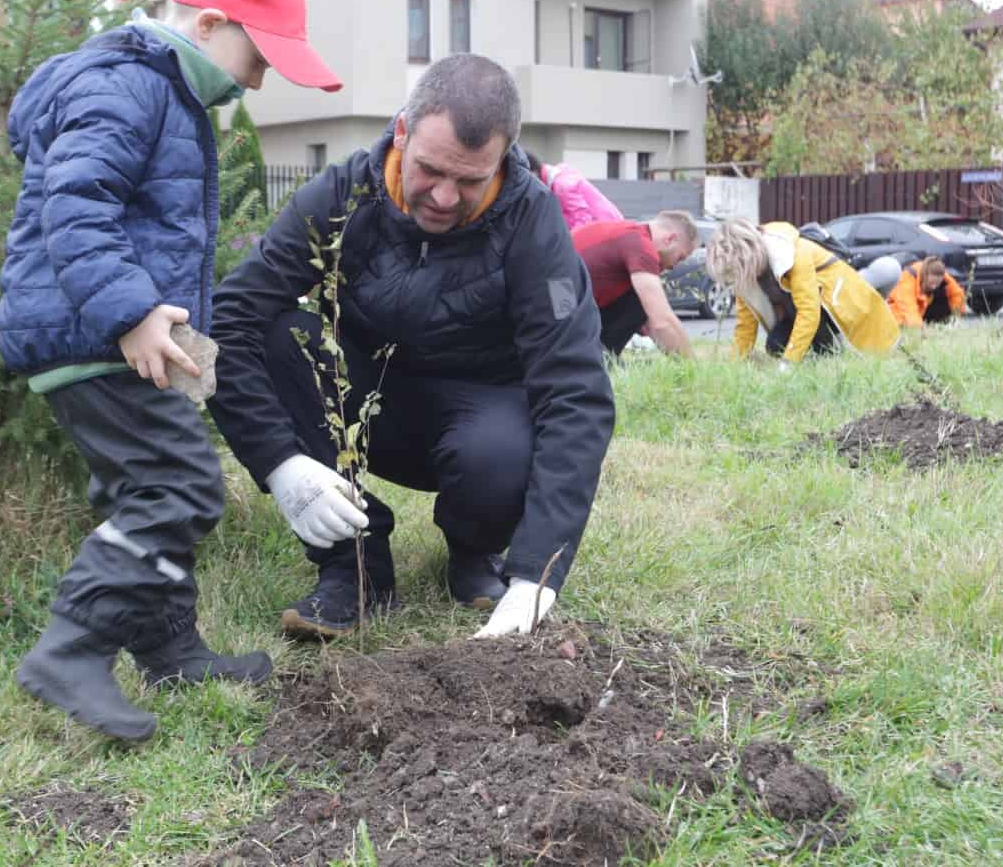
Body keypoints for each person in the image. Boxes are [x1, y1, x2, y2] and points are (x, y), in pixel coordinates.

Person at [0, 0, 343, 742]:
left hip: (115, 332)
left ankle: (168, 648)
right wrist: (132, 312)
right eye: (258, 58)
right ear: (212, 23)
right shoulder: (125, 85)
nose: (259, 79)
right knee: (179, 485)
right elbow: (75, 205)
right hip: (94, 334)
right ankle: (71, 649)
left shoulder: (165, 93)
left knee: (144, 488)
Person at [208, 54, 615, 641]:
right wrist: (280, 462)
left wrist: (537, 574)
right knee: (280, 334)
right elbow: (232, 317)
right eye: (429, 170)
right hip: (366, 403)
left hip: (481, 415)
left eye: (470, 181)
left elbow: (576, 391)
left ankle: (474, 554)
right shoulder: (345, 195)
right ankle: (355, 566)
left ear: (502, 159)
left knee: (499, 453)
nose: (444, 198)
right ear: (402, 130)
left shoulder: (533, 224)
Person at [704, 218, 899, 363]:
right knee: (775, 344)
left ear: (748, 257)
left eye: (737, 273)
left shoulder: (793, 253)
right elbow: (745, 327)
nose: (738, 280)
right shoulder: (745, 274)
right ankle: (813, 357)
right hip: (795, 315)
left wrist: (789, 363)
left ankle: (830, 355)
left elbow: (809, 311)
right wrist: (734, 366)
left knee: (826, 351)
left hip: (828, 309)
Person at [572, 213, 698, 356]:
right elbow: (661, 321)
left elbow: (652, 326)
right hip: (564, 322)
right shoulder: (641, 247)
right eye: (680, 257)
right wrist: (691, 365)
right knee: (643, 301)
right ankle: (600, 360)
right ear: (670, 239)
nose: (674, 266)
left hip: (558, 312)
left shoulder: (625, 232)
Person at [525, 153, 624, 230]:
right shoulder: (555, 180)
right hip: (609, 226)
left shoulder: (561, 186)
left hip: (607, 229)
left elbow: (582, 221)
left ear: (533, 173)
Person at [886, 256, 967, 327]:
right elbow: (908, 308)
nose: (934, 287)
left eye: (937, 283)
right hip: (896, 308)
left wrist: (955, 318)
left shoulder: (941, 274)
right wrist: (919, 328)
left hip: (922, 307)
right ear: (925, 276)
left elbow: (957, 294)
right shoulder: (907, 279)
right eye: (931, 283)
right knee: (901, 317)